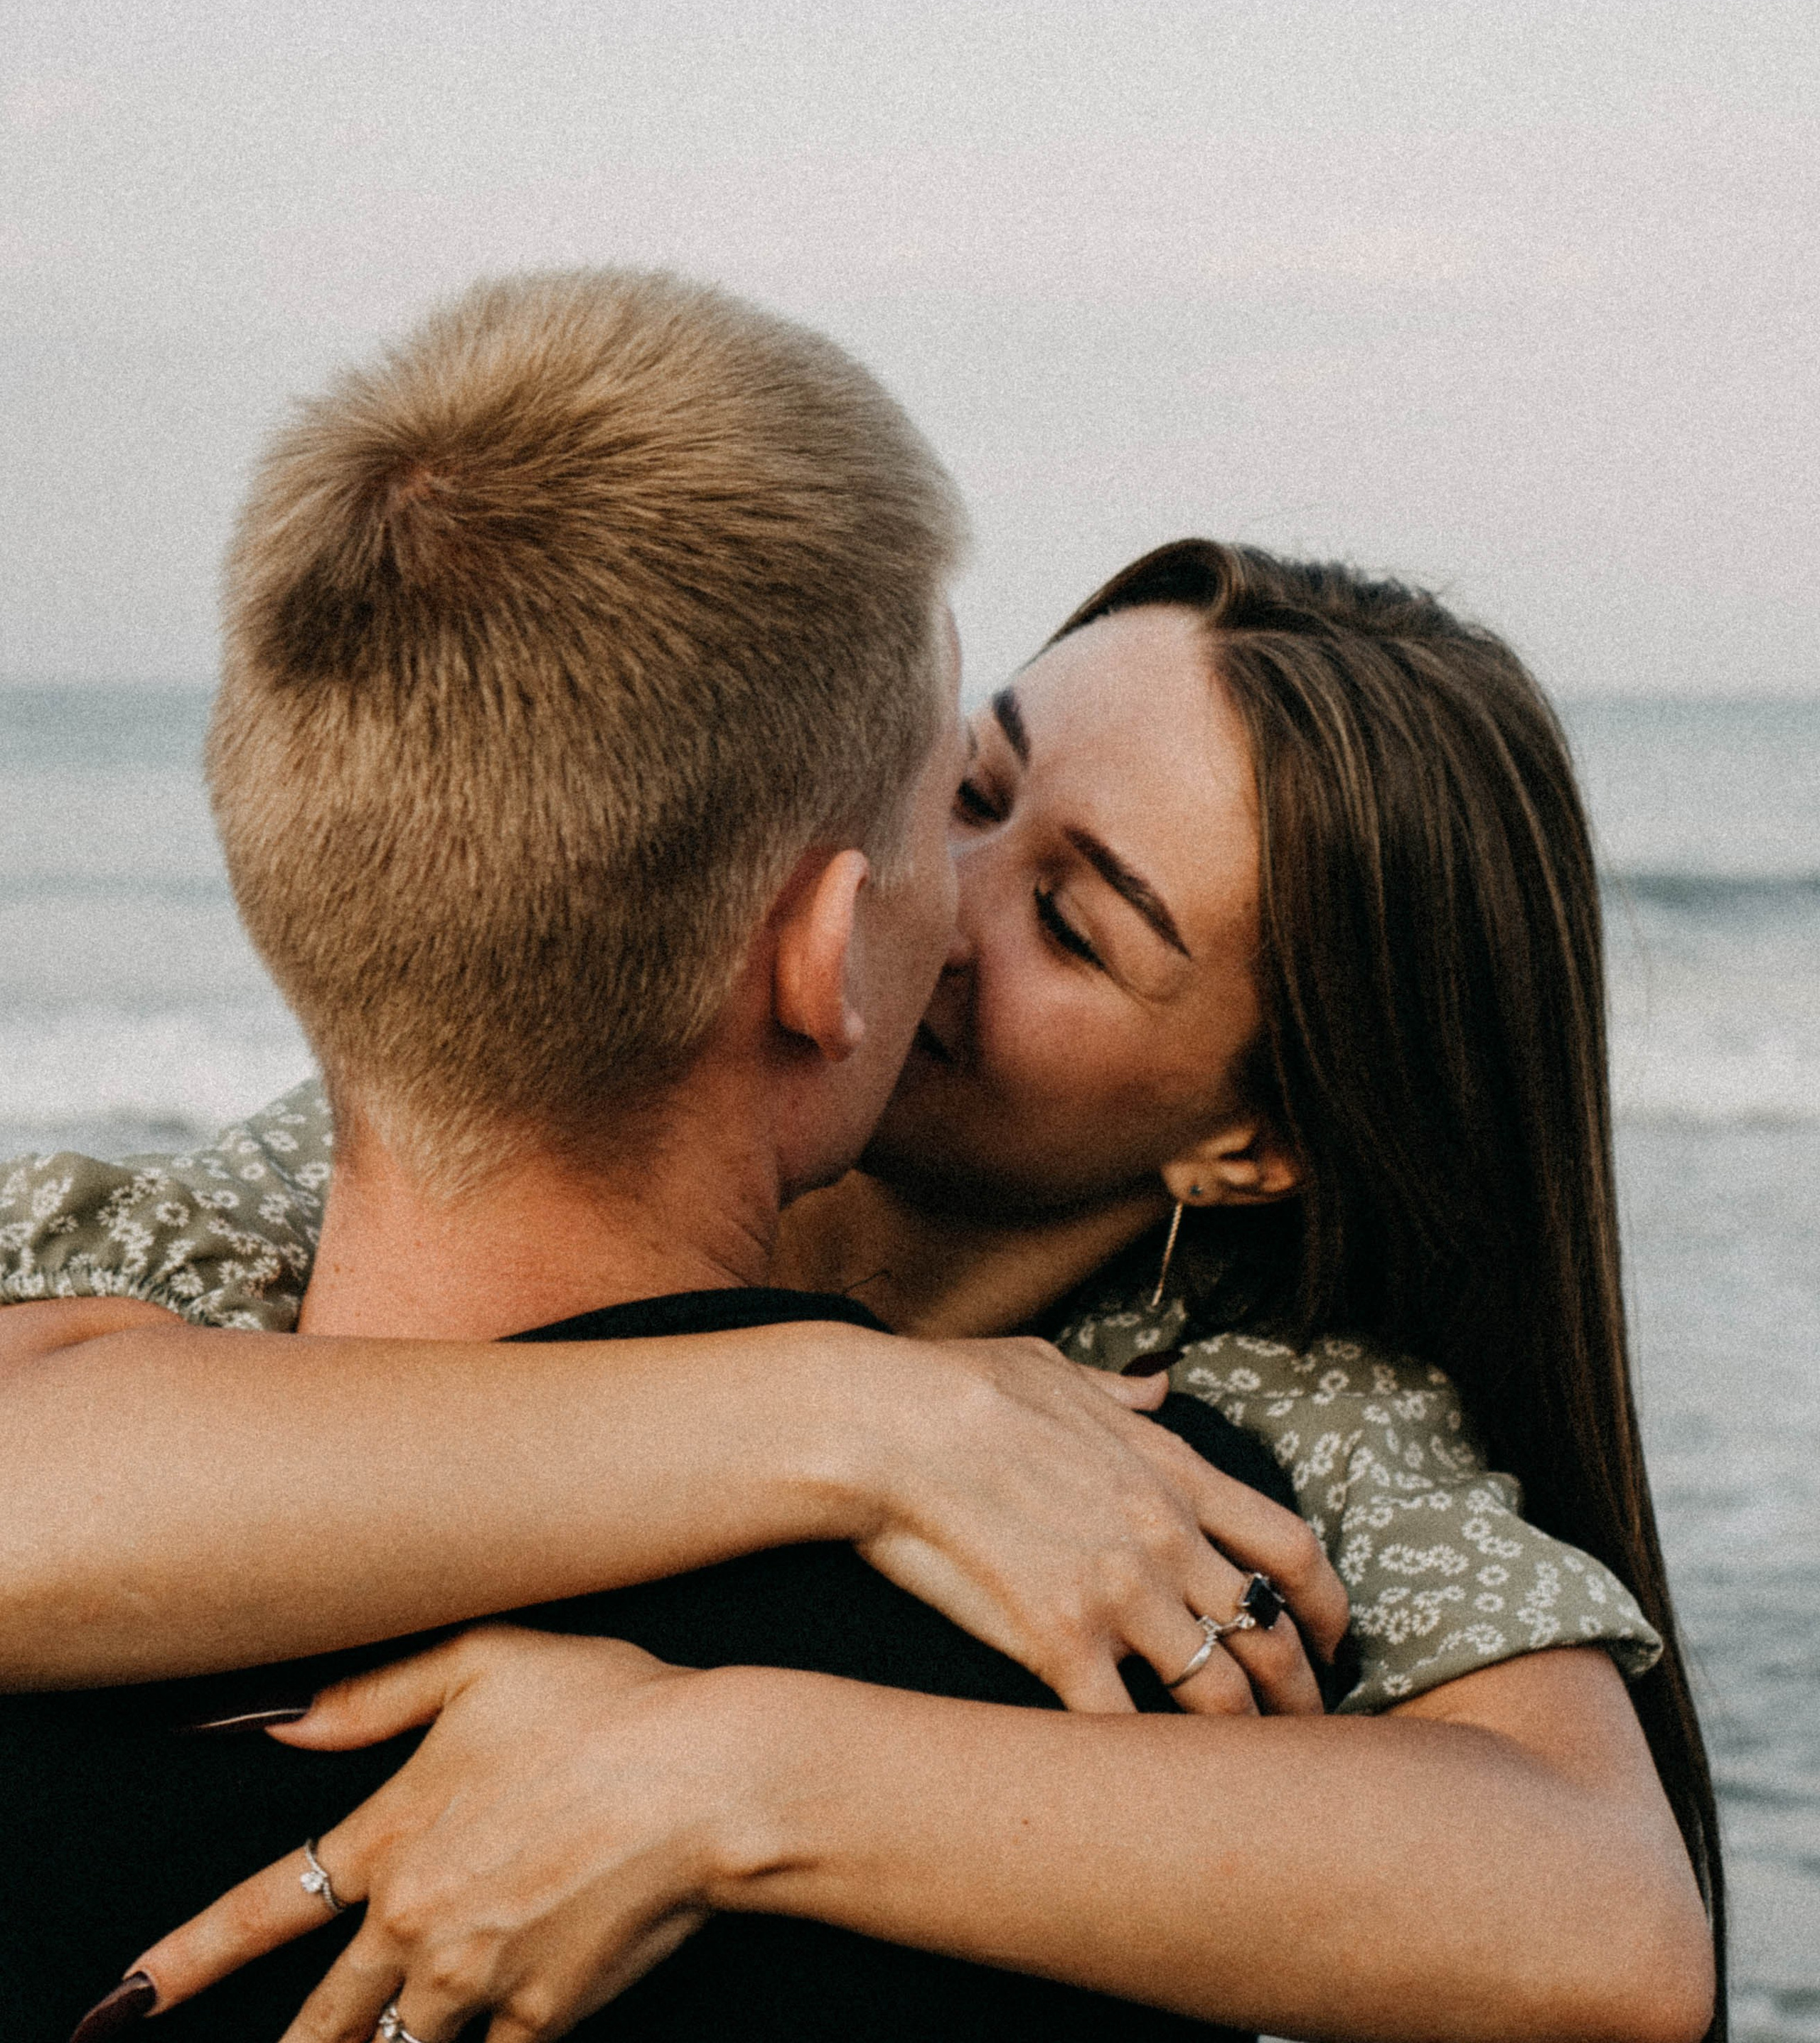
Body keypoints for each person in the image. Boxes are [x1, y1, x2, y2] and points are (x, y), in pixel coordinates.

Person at [0, 318, 1716, 2035]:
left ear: (1250, 1142)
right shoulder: (434, 1144)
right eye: (966, 786)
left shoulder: (1260, 1409)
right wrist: (860, 1423)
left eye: (1069, 922)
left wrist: (727, 1770)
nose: (944, 895)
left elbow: (1602, 1926)